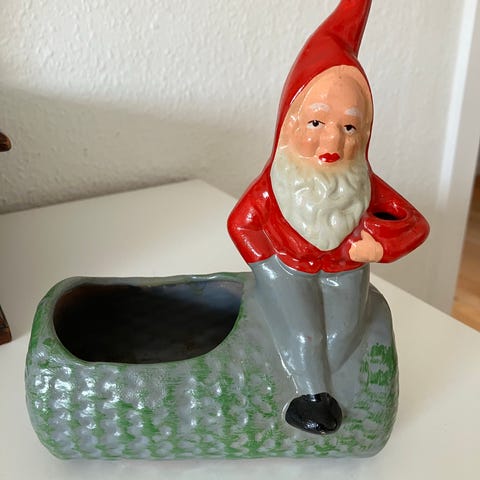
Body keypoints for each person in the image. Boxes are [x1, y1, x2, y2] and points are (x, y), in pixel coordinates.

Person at [228, 0, 429, 435]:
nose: (332, 141)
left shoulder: (363, 184)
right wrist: (268, 266)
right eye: (317, 123)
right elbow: (240, 223)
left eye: (349, 127)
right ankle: (312, 398)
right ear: (290, 123)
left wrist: (381, 246)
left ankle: (325, 381)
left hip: (346, 270)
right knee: (307, 336)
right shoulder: (274, 184)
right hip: (288, 268)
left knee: (343, 333)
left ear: (365, 133)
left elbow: (416, 225)